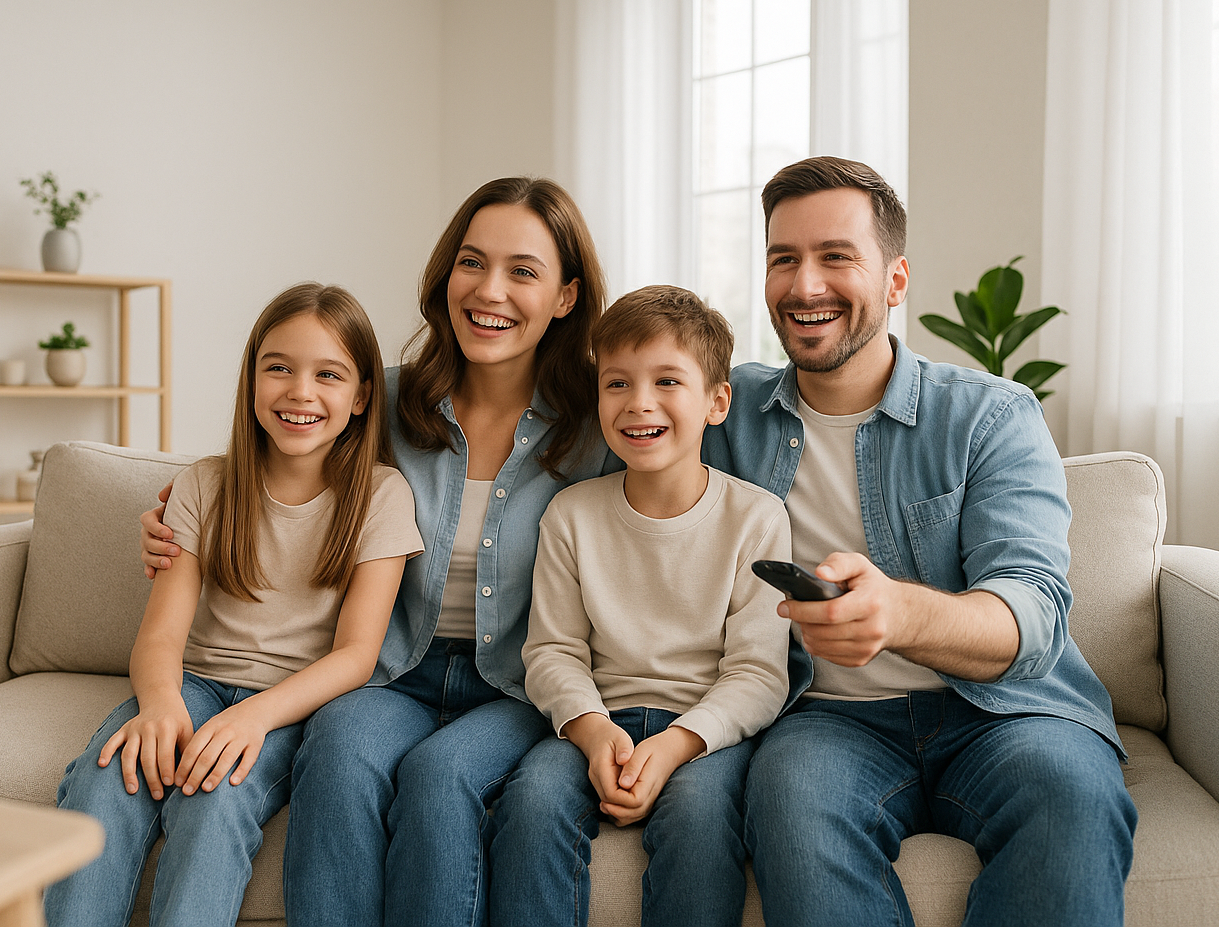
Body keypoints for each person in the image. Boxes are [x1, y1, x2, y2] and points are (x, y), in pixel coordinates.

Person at [140, 177, 610, 927]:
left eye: (523, 270)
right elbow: (269, 469)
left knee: (440, 776)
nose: (489, 290)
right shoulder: (378, 402)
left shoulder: (601, 424)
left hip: (523, 684)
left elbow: (686, 451)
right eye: (471, 261)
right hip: (395, 669)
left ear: (564, 296)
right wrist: (172, 519)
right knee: (336, 748)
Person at [703, 156, 1136, 927]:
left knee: (1071, 795)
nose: (805, 286)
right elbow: (595, 417)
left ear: (896, 281)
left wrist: (899, 616)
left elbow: (1032, 617)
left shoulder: (991, 416)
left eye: (837, 257)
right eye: (783, 259)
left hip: (1007, 713)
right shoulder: (719, 415)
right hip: (825, 722)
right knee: (791, 811)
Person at [44, 282, 423, 927]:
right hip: (194, 684)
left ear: (361, 398)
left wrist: (252, 720)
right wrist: (161, 707)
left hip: (289, 704)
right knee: (107, 778)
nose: (300, 391)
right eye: (278, 368)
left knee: (213, 796)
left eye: (328, 375)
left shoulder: (383, 495)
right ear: (251, 381)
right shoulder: (203, 484)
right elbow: (161, 635)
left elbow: (358, 655)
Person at [488, 285, 792, 927]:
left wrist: (679, 744)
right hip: (601, 718)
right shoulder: (571, 515)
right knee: (533, 802)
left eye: (667, 381)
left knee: (702, 817)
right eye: (617, 383)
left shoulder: (756, 517)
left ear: (717, 403)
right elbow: (551, 652)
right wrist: (594, 732)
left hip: (705, 730)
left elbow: (759, 673)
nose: (639, 403)